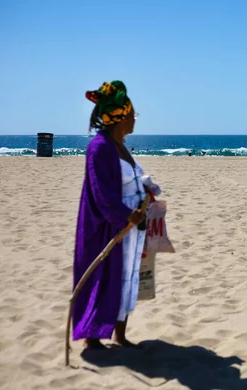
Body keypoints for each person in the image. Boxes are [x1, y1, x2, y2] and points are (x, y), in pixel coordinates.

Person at [72, 80, 150, 349]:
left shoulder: (120, 145)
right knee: (104, 278)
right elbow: (101, 191)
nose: (134, 121)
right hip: (110, 226)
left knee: (127, 279)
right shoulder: (100, 146)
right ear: (120, 117)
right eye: (132, 115)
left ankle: (120, 334)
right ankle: (92, 338)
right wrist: (125, 215)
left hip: (131, 225)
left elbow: (133, 176)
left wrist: (148, 189)